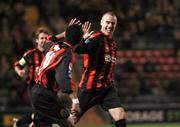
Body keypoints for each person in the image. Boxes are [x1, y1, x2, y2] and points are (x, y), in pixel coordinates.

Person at [73, 11, 127, 127]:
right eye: (107, 22)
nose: (110, 26)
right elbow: (78, 49)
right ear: (102, 23)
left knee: (120, 114)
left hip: (107, 89)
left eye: (113, 23)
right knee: (72, 120)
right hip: (89, 88)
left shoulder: (113, 44)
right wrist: (83, 39)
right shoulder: (95, 38)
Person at [30, 24, 83, 127]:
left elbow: (48, 39)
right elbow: (63, 78)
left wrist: (64, 33)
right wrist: (75, 101)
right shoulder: (67, 53)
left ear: (66, 35)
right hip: (45, 94)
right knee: (69, 122)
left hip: (37, 91)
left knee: (41, 123)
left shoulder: (53, 45)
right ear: (79, 41)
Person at [13, 27, 49, 127]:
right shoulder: (30, 54)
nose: (44, 40)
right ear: (37, 40)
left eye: (46, 38)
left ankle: (22, 123)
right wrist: (19, 71)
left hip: (48, 88)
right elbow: (17, 64)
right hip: (34, 87)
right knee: (41, 114)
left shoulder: (51, 54)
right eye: (41, 38)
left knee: (43, 115)